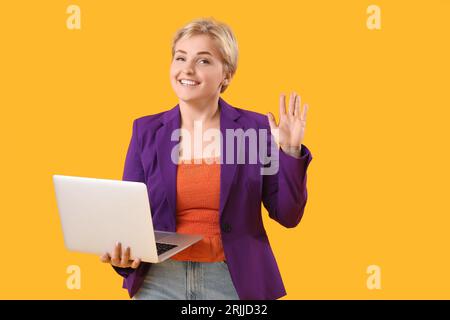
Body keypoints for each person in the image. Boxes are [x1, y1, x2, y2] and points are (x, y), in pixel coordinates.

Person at [99, 17, 313, 300]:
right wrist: (122, 257)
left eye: (203, 61)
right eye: (180, 57)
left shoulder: (256, 130)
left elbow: (288, 215)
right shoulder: (145, 131)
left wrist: (289, 151)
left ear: (227, 75)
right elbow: (131, 219)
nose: (187, 69)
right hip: (160, 281)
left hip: (233, 281)